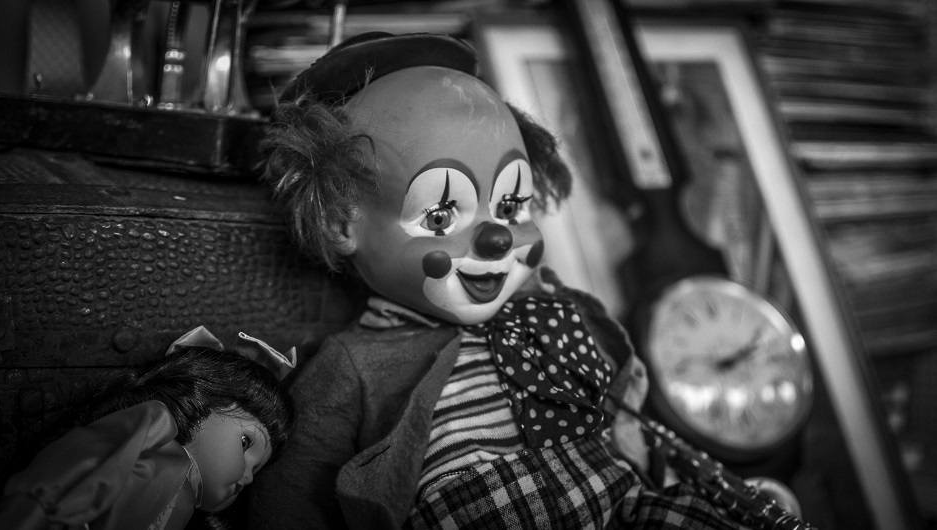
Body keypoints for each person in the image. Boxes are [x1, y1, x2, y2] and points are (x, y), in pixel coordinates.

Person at [249, 31, 774, 530]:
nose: (497, 239)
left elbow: (626, 423)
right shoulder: (352, 365)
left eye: (509, 206)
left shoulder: (553, 316)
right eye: (440, 216)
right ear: (341, 223)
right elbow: (293, 502)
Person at [0, 326, 296, 530]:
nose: (246, 477)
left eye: (256, 471)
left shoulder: (187, 498)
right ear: (203, 397)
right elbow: (81, 468)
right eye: (245, 443)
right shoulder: (155, 429)